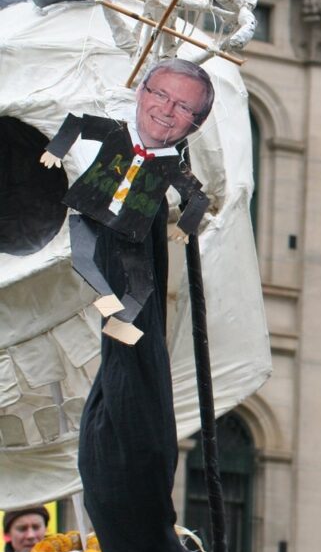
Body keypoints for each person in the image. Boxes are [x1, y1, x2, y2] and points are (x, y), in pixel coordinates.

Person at [40, 57, 212, 344]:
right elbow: (77, 123)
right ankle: (108, 304)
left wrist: (184, 227)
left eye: (183, 107)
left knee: (142, 285)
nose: (167, 110)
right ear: (141, 93)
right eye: (160, 95)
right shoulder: (116, 132)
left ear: (196, 122)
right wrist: (56, 149)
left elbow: (198, 198)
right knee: (84, 260)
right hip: (89, 213)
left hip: (129, 230)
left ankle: (120, 323)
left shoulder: (171, 164)